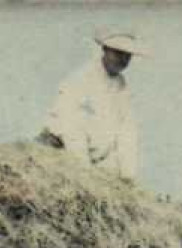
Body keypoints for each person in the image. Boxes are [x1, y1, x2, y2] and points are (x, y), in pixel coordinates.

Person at [38, 32, 143, 181]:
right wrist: (85, 174)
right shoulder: (81, 79)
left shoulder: (121, 85)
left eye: (127, 55)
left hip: (97, 158)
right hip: (63, 151)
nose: (123, 60)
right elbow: (72, 129)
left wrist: (128, 176)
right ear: (105, 50)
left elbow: (126, 130)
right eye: (118, 53)